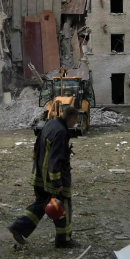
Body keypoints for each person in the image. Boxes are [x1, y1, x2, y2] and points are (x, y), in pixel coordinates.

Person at [9, 106, 80, 249]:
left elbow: (37, 147)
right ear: (71, 119)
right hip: (52, 179)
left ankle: (19, 227)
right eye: (75, 121)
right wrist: (57, 182)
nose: (75, 124)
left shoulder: (50, 124)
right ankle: (63, 240)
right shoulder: (60, 132)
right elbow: (56, 159)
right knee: (62, 206)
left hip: (40, 175)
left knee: (42, 204)